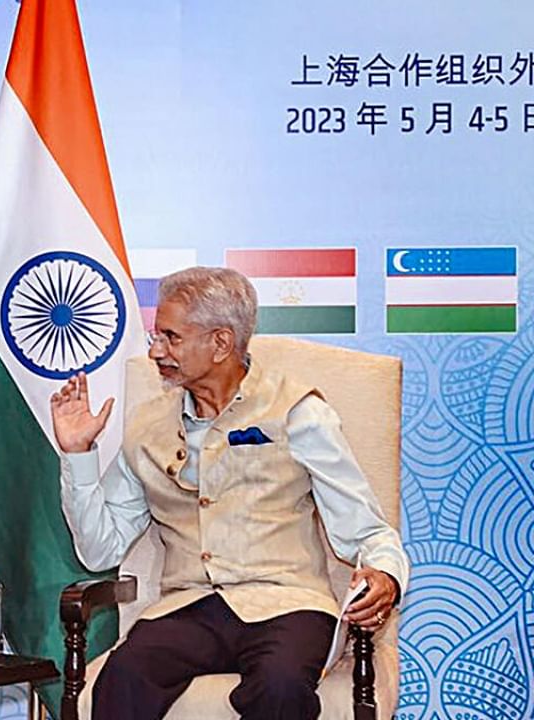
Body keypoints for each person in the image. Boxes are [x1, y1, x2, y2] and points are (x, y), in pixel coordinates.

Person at [51, 267, 408, 720]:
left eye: (172, 338)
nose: (156, 351)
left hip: (288, 602)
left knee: (279, 687)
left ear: (221, 343)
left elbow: (366, 530)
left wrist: (386, 576)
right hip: (188, 608)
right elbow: (100, 547)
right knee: (125, 676)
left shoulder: (299, 413)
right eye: (155, 336)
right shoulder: (145, 427)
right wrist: (78, 454)